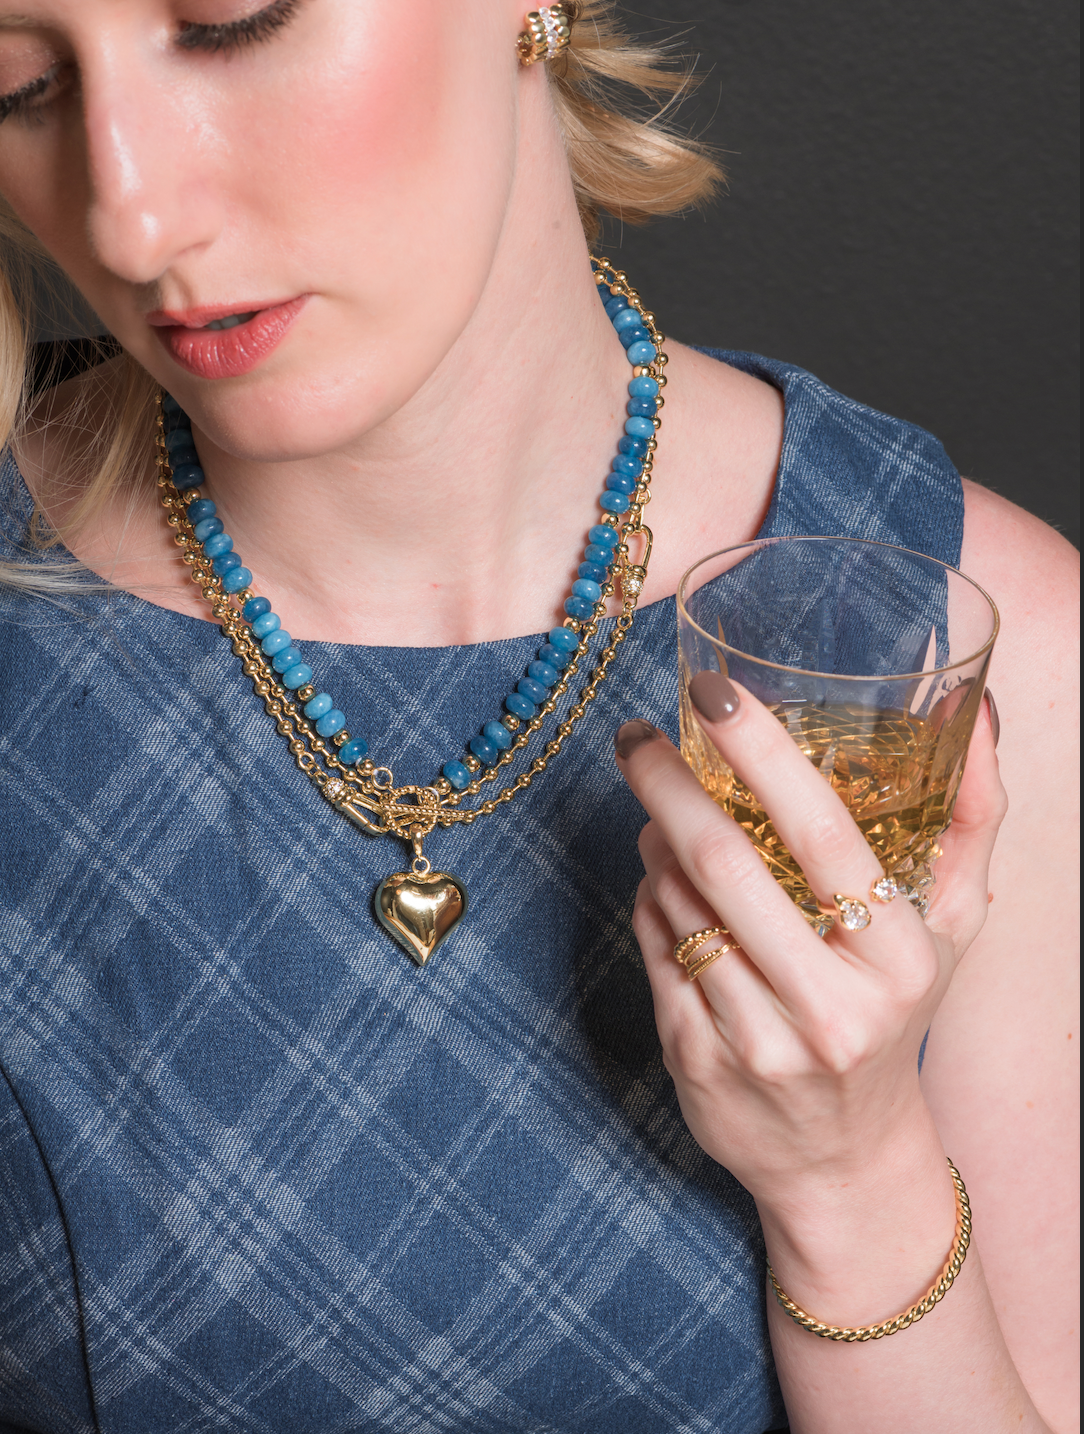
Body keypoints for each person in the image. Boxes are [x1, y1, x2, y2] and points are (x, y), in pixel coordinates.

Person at [0, 2, 1077, 1431]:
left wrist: (852, 1179)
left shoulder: (974, 643)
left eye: (227, 21)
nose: (127, 213)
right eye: (18, 82)